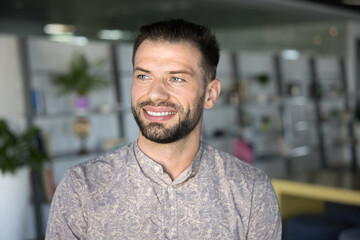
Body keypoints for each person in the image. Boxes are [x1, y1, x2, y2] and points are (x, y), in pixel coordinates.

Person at [46, 19, 282, 240]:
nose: (155, 94)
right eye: (144, 76)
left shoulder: (251, 191)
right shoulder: (81, 188)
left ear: (210, 94)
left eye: (176, 79)